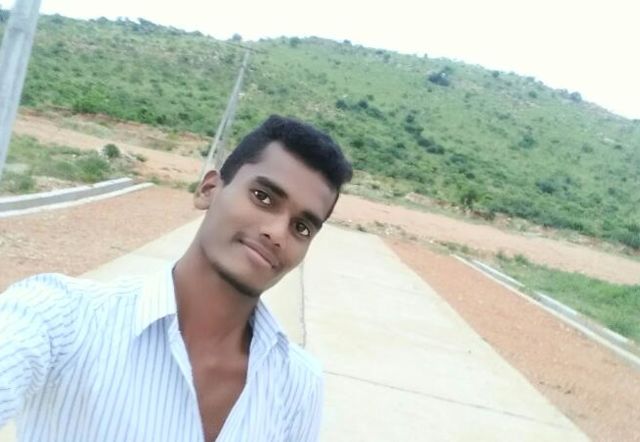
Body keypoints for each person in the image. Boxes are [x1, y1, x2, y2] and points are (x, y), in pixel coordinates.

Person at [0, 115, 353, 441]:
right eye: (263, 197)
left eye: (302, 227)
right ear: (208, 189)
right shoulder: (63, 317)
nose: (277, 233)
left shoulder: (297, 384)